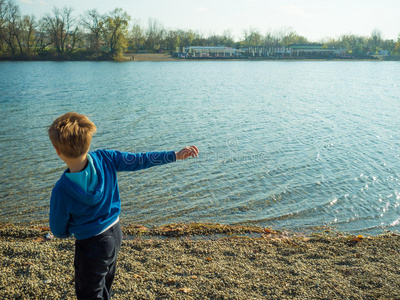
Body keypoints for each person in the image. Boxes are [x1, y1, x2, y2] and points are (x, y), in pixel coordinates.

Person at [48, 112, 199, 300]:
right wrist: (174, 155)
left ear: (57, 150)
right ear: (88, 141)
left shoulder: (62, 190)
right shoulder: (106, 158)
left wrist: (69, 231)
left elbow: (58, 229)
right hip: (115, 233)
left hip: (90, 244)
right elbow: (139, 160)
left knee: (89, 291)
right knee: (105, 282)